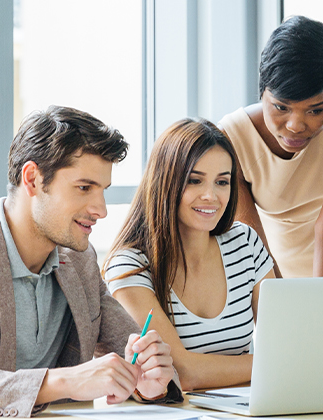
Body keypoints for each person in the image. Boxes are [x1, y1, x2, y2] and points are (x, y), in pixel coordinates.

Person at [0, 106, 181, 419]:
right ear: (32, 179)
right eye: (84, 188)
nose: (101, 209)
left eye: (103, 191)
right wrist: (59, 382)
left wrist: (150, 382)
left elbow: (135, 353)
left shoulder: (80, 261)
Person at [104, 119, 276, 390]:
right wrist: (272, 365)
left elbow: (286, 344)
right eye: (194, 180)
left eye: (222, 182)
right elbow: (180, 371)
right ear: (165, 182)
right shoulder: (130, 266)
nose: (211, 195)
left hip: (251, 408)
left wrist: (281, 362)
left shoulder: (245, 243)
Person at [216, 16, 323, 279]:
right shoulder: (231, 138)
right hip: (285, 282)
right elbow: (254, 248)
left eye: (315, 110)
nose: (295, 125)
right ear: (262, 92)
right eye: (281, 107)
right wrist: (285, 306)